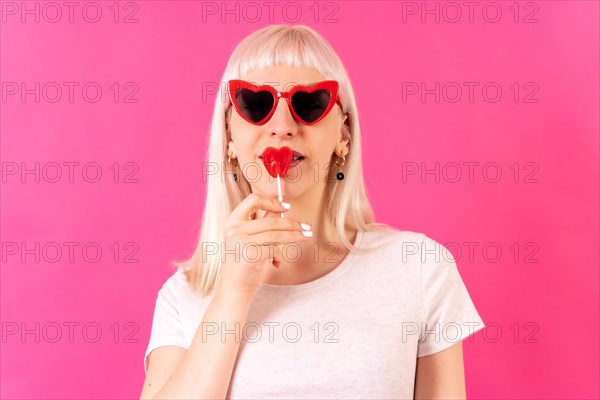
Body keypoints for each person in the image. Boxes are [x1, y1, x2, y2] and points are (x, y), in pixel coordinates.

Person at [139, 24, 485, 400]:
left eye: (309, 105)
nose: (282, 128)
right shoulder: (184, 296)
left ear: (343, 136)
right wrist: (233, 293)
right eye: (256, 105)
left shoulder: (418, 267)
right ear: (229, 139)